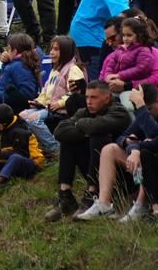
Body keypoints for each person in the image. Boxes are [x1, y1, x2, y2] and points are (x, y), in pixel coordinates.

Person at [75, 83, 158, 220]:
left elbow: (155, 134)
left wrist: (137, 147)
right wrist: (130, 145)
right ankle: (104, 204)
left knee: (145, 152)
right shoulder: (147, 112)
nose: (145, 115)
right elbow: (124, 136)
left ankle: (141, 205)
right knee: (109, 149)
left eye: (148, 110)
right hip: (141, 161)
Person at [44, 79, 131, 220]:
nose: (89, 102)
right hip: (95, 168)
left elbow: (96, 127)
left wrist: (80, 125)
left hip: (122, 175)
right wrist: (85, 130)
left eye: (94, 97)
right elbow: (59, 131)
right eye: (87, 97)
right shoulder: (84, 112)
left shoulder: (119, 112)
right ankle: (65, 195)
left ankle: (92, 194)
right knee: (68, 140)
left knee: (98, 136)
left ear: (107, 98)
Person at [19, 36, 87, 156]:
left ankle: (55, 149)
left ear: (66, 52)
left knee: (34, 119)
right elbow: (46, 92)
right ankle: (41, 147)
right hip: (48, 106)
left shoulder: (73, 69)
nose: (51, 52)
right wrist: (38, 101)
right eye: (51, 49)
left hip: (61, 109)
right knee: (22, 115)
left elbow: (76, 94)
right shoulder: (55, 70)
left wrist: (59, 103)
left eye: (56, 49)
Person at [99, 17, 158, 92]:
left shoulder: (150, 51)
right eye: (107, 40)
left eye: (112, 38)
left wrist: (127, 85)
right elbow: (102, 80)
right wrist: (109, 81)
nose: (109, 43)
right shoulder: (112, 55)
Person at [0, 34, 41, 113]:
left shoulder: (17, 66)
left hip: (11, 109)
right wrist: (6, 63)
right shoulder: (22, 63)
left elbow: (25, 95)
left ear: (15, 51)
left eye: (9, 49)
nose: (6, 52)